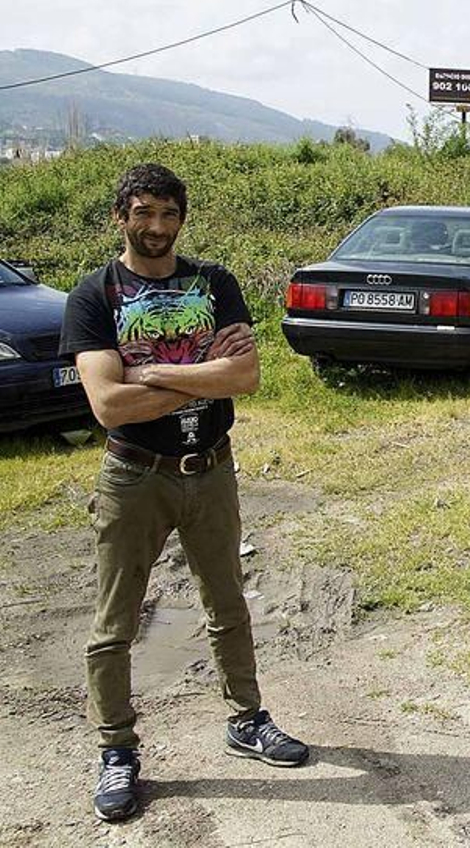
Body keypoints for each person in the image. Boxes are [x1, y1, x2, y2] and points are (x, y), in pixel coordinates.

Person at [59, 164, 310, 822]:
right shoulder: (94, 296)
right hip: (133, 474)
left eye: (168, 214)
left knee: (228, 602)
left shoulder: (215, 282)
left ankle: (247, 720)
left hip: (211, 468)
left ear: (181, 218)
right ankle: (116, 749)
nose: (156, 227)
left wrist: (159, 371)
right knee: (115, 622)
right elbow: (110, 404)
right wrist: (204, 375)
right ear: (121, 216)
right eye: (143, 213)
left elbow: (247, 375)